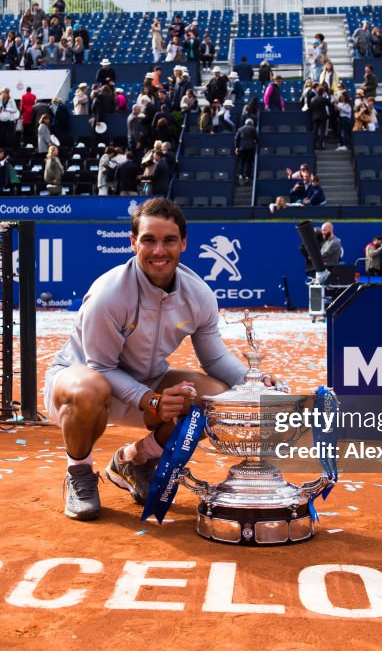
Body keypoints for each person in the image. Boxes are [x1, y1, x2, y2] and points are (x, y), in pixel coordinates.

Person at [45, 199, 266, 520]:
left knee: (215, 398)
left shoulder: (199, 294)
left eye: (169, 240)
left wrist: (255, 385)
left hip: (146, 387)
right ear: (133, 242)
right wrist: (150, 401)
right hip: (81, 387)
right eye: (149, 240)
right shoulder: (108, 294)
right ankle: (79, 472)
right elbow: (101, 367)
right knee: (88, 388)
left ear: (184, 243)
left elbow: (215, 357)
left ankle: (135, 461)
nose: (159, 250)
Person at [234, 118, 258, 183]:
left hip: (242, 148)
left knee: (242, 162)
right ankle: (247, 176)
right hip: (250, 148)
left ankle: (241, 175)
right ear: (251, 123)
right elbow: (257, 138)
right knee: (249, 163)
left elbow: (236, 138)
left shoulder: (240, 129)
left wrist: (236, 148)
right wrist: (256, 142)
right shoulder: (253, 129)